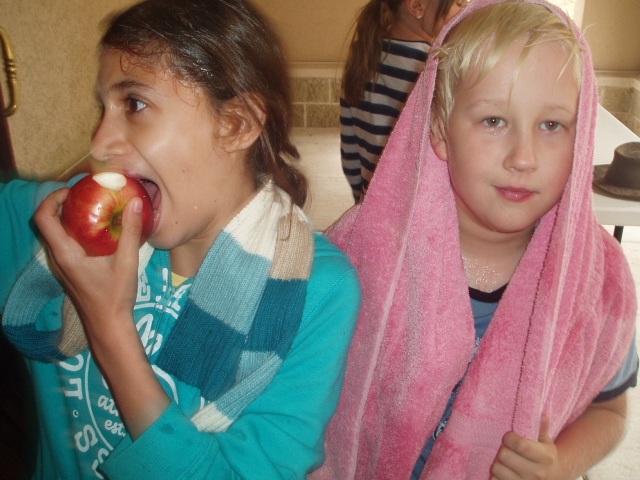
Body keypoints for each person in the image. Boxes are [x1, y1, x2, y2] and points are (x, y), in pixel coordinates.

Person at [0, 0, 361, 478]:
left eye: (135, 104)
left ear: (236, 124)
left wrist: (109, 327)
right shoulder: (55, 224)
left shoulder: (316, 293)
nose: (100, 142)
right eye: (104, 108)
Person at [311, 0, 638, 478]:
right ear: (440, 130)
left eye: (551, 125)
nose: (523, 157)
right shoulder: (361, 255)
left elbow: (610, 410)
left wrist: (562, 463)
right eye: (493, 121)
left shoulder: (597, 281)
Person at [340, 0, 468, 202]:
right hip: (417, 207)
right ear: (417, 7)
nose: (465, 9)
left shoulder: (364, 56)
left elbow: (350, 147)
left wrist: (361, 200)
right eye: (459, 3)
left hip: (372, 200)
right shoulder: (432, 67)